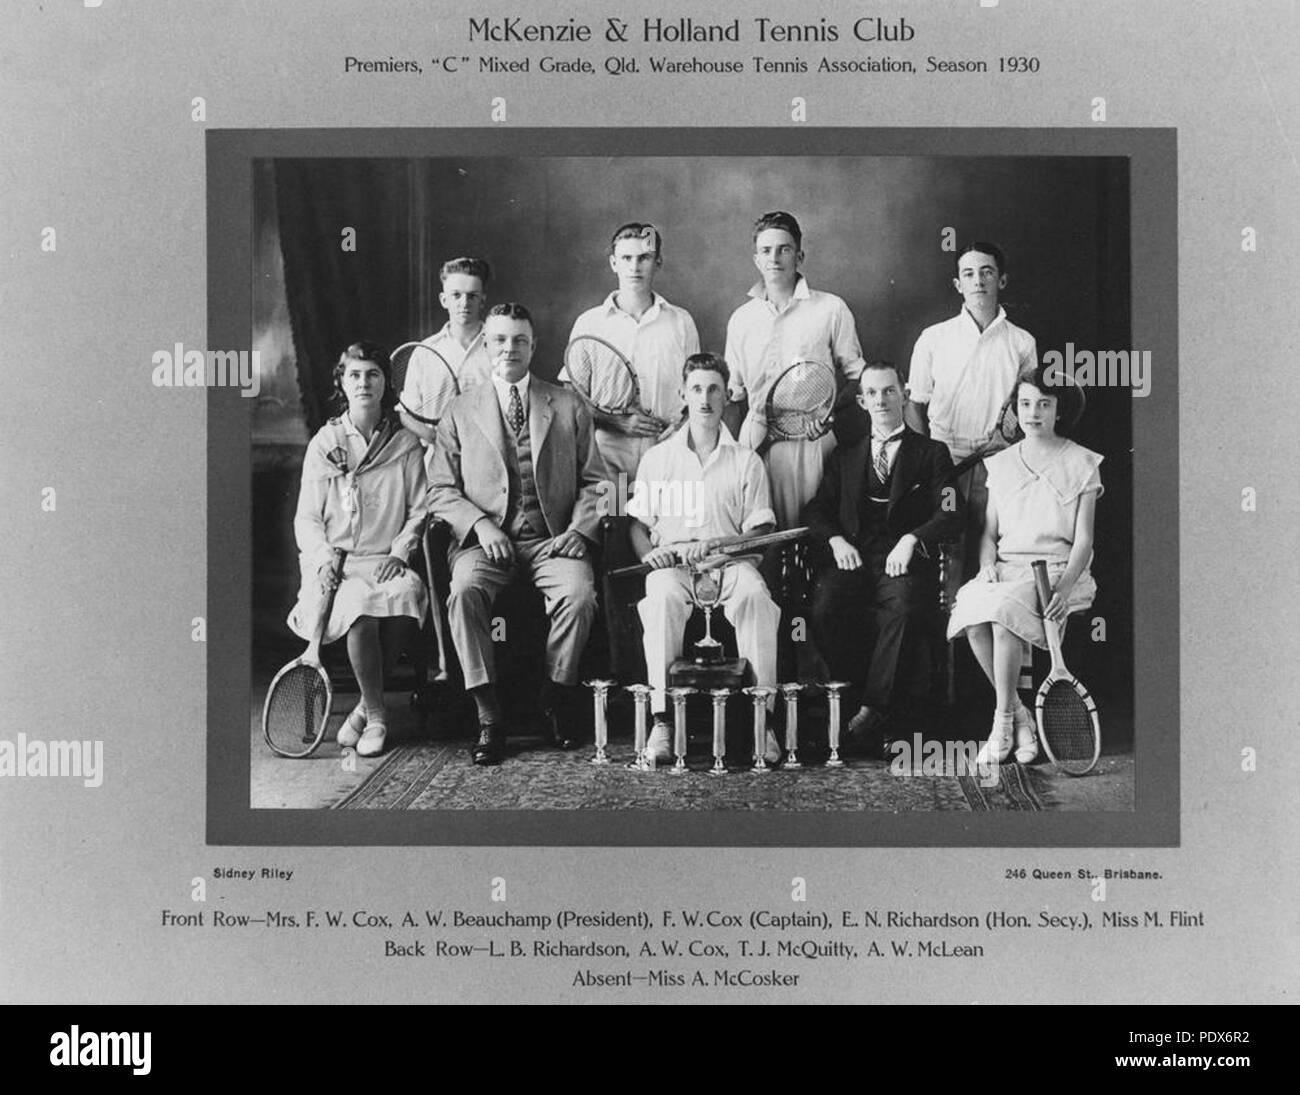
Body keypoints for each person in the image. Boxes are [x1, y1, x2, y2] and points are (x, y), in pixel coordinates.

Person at [428, 303, 610, 766]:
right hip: (485, 543)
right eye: (500, 340)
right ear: (487, 345)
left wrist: (581, 531)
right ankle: (489, 715)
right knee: (464, 592)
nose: (510, 349)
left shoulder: (567, 404)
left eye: (520, 340)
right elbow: (440, 491)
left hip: (553, 542)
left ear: (534, 346)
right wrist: (481, 524)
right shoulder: (459, 409)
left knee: (579, 594)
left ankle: (556, 697)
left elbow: (602, 482)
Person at [626, 353, 783, 765]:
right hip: (673, 569)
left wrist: (720, 547)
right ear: (683, 394)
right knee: (658, 599)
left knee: (756, 598)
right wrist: (652, 555)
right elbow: (637, 527)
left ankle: (762, 722)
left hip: (731, 567)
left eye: (714, 388)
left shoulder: (746, 459)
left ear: (727, 396)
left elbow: (762, 532)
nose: (705, 398)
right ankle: (663, 721)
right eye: (696, 388)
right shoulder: (657, 458)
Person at [803, 362, 963, 756]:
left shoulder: (932, 453)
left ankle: (874, 709)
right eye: (872, 393)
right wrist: (837, 540)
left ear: (905, 394)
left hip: (904, 563)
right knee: (825, 606)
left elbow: (952, 512)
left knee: (904, 609)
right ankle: (857, 697)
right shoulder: (846, 455)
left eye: (889, 391)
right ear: (861, 401)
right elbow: (816, 510)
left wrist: (911, 539)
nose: (882, 400)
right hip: (855, 560)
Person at [946, 362, 1101, 765]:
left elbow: (1084, 540)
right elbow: (989, 535)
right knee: (972, 614)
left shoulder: (1083, 462)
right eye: (1026, 403)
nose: (1033, 413)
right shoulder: (1001, 463)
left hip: (1055, 573)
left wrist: (1064, 589)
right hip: (1006, 569)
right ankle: (1020, 719)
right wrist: (985, 565)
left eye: (1044, 404)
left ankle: (1000, 722)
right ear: (1016, 408)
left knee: (999, 617)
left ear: (1058, 410)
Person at [288, 342, 429, 758]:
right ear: (342, 383)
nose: (364, 382)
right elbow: (307, 519)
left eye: (373, 374)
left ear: (386, 383)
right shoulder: (324, 443)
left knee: (408, 597)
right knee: (359, 612)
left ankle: (362, 712)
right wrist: (321, 561)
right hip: (338, 564)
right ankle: (379, 715)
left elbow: (418, 510)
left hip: (385, 560)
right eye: (355, 375)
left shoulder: (405, 445)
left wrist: (400, 554)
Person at [723, 210, 866, 529]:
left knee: (814, 533)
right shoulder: (741, 319)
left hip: (812, 440)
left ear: (799, 255)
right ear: (756, 259)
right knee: (761, 537)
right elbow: (734, 396)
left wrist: (827, 414)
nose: (775, 258)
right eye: (766, 250)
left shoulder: (831, 308)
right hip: (755, 440)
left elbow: (858, 378)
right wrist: (732, 453)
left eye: (784, 249)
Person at [906, 241, 1037, 584]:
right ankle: (945, 637)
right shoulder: (933, 338)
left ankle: (988, 632)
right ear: (957, 284)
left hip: (998, 465)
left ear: (1002, 281)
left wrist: (1004, 447)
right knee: (948, 555)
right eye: (969, 273)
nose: (978, 280)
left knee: (992, 552)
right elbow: (914, 404)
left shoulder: (1023, 342)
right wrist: (930, 462)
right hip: (945, 465)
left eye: (987, 272)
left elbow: (1025, 409)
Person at [561, 222, 701, 486]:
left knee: (664, 524)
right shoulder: (589, 323)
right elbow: (571, 397)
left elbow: (697, 386)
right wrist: (618, 423)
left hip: (667, 446)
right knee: (613, 522)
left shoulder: (682, 322)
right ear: (614, 263)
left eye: (644, 258)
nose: (634, 267)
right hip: (608, 450)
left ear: (657, 262)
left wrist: (680, 427)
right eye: (626, 258)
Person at [399, 257, 494, 470]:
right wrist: (434, 437)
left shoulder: (498, 347)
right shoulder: (425, 351)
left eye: (472, 296)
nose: (464, 302)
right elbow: (406, 413)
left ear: (482, 300)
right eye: (456, 295)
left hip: (488, 462)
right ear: (444, 300)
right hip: (436, 463)